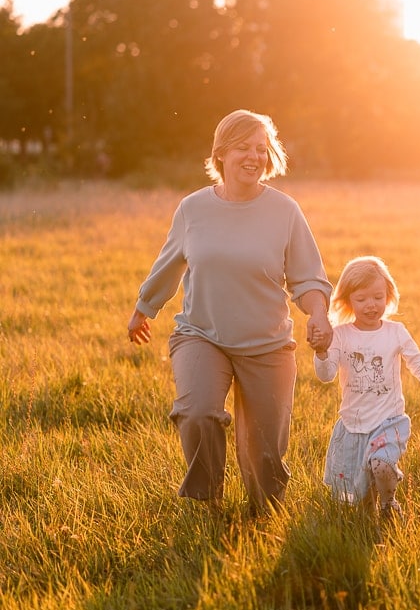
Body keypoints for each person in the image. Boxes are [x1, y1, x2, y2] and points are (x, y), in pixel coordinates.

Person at [127, 109, 334, 513]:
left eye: (261, 148)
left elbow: (308, 278)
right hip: (202, 334)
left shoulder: (285, 211)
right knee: (198, 413)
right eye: (243, 147)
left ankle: (264, 513)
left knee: (266, 451)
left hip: (268, 343)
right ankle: (207, 502)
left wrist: (318, 314)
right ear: (221, 153)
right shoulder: (193, 208)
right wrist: (144, 307)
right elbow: (169, 263)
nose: (253, 156)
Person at [313, 255, 420, 519]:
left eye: (378, 297)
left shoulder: (395, 332)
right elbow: (326, 375)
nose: (371, 305)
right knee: (355, 499)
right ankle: (368, 513)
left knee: (381, 465)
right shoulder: (341, 335)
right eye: (361, 299)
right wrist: (321, 352)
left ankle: (389, 504)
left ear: (388, 295)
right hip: (353, 424)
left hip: (388, 421)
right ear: (348, 300)